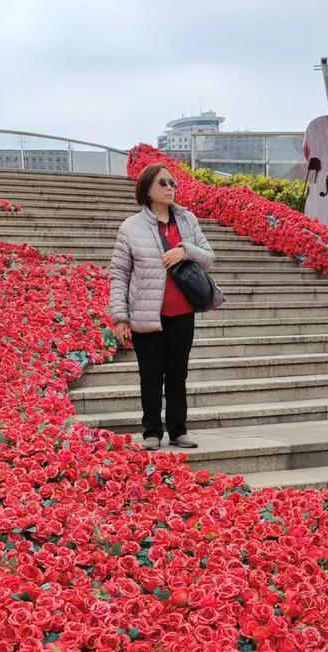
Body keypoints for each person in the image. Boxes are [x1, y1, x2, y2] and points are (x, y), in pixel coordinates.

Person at [108, 163, 222, 450]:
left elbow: (209, 257)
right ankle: (151, 432)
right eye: (163, 183)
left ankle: (178, 429)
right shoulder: (130, 228)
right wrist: (119, 317)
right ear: (147, 189)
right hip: (147, 315)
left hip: (182, 313)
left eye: (172, 183)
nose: (170, 188)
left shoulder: (187, 220)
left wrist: (185, 250)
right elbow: (119, 273)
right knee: (150, 374)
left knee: (177, 373)